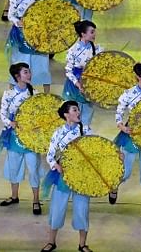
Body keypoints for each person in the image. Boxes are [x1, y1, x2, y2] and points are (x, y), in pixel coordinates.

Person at [111, 61, 141, 215]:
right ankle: (114, 186)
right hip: (131, 136)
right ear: (138, 77)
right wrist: (123, 127)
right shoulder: (128, 94)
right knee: (124, 171)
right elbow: (119, 114)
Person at [43, 100, 92, 252]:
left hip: (81, 176)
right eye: (74, 110)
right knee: (57, 208)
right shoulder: (57, 133)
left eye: (78, 110)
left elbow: (97, 149)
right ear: (66, 115)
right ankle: (51, 241)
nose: (78, 113)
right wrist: (55, 165)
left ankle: (82, 244)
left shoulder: (86, 130)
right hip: (63, 176)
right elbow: (50, 155)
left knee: (82, 209)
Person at [0, 62, 42, 215]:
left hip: (30, 137)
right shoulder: (8, 94)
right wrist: (11, 123)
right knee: (13, 166)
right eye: (25, 72)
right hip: (15, 136)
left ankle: (36, 199)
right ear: (17, 76)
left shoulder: (34, 94)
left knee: (33, 168)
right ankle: (14, 196)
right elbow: (3, 113)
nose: (29, 75)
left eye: (29, 72)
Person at [6, 0, 50, 92]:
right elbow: (11, 15)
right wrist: (17, 22)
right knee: (19, 63)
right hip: (21, 35)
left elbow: (49, 13)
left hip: (38, 36)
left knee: (42, 65)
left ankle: (46, 95)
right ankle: (12, 92)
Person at [63, 20, 103, 126]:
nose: (94, 34)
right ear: (83, 34)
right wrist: (78, 83)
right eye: (92, 32)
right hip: (74, 84)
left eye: (94, 32)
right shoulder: (73, 50)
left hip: (89, 84)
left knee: (87, 113)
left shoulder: (97, 49)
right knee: (74, 112)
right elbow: (68, 70)